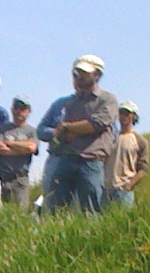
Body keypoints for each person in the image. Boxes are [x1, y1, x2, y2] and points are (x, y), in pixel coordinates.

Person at [43, 55, 118, 214]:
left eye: (84, 73)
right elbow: (59, 133)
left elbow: (96, 124)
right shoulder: (70, 102)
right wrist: (69, 130)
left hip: (91, 161)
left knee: (90, 210)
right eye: (76, 73)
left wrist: (67, 127)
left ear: (96, 75)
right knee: (56, 208)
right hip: (66, 158)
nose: (79, 78)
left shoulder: (107, 99)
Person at [0, 96, 38, 208]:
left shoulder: (32, 131)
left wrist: (9, 143)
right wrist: (21, 148)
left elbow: (31, 148)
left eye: (22, 108)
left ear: (28, 111)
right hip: (1, 178)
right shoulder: (1, 129)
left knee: (20, 214)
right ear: (12, 109)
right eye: (16, 107)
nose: (18, 111)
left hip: (20, 179)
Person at [105, 102, 149, 208]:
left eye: (127, 113)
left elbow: (143, 168)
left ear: (133, 116)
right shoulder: (110, 139)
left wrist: (130, 184)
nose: (123, 116)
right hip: (106, 190)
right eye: (121, 113)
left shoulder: (140, 141)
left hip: (124, 191)